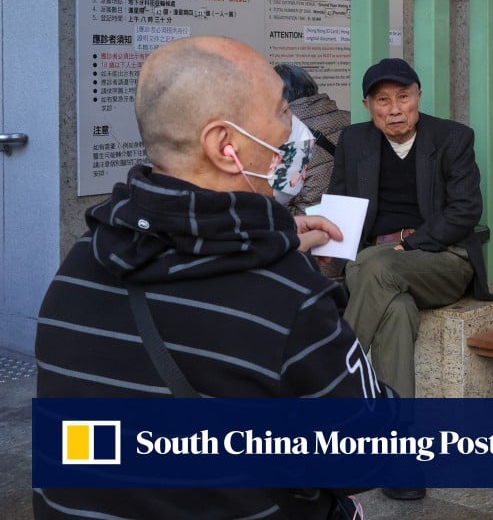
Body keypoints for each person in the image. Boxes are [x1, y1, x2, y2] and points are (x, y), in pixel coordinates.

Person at [34, 36, 388, 519]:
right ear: (226, 146)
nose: (296, 130)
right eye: (283, 111)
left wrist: (276, 234)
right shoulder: (287, 294)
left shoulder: (80, 264)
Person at [327, 57, 493, 500]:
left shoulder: (452, 138)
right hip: (378, 269)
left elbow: (466, 210)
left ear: (418, 96)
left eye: (403, 97)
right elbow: (342, 209)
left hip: (441, 259)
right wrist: (328, 263)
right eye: (383, 100)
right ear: (368, 105)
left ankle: (328, 389)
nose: (395, 109)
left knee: (376, 266)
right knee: (396, 314)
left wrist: (407, 245)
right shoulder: (354, 140)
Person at [273, 63, 350, 217]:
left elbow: (278, 202)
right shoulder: (349, 119)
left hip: (308, 225)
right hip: (351, 218)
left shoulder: (287, 134)